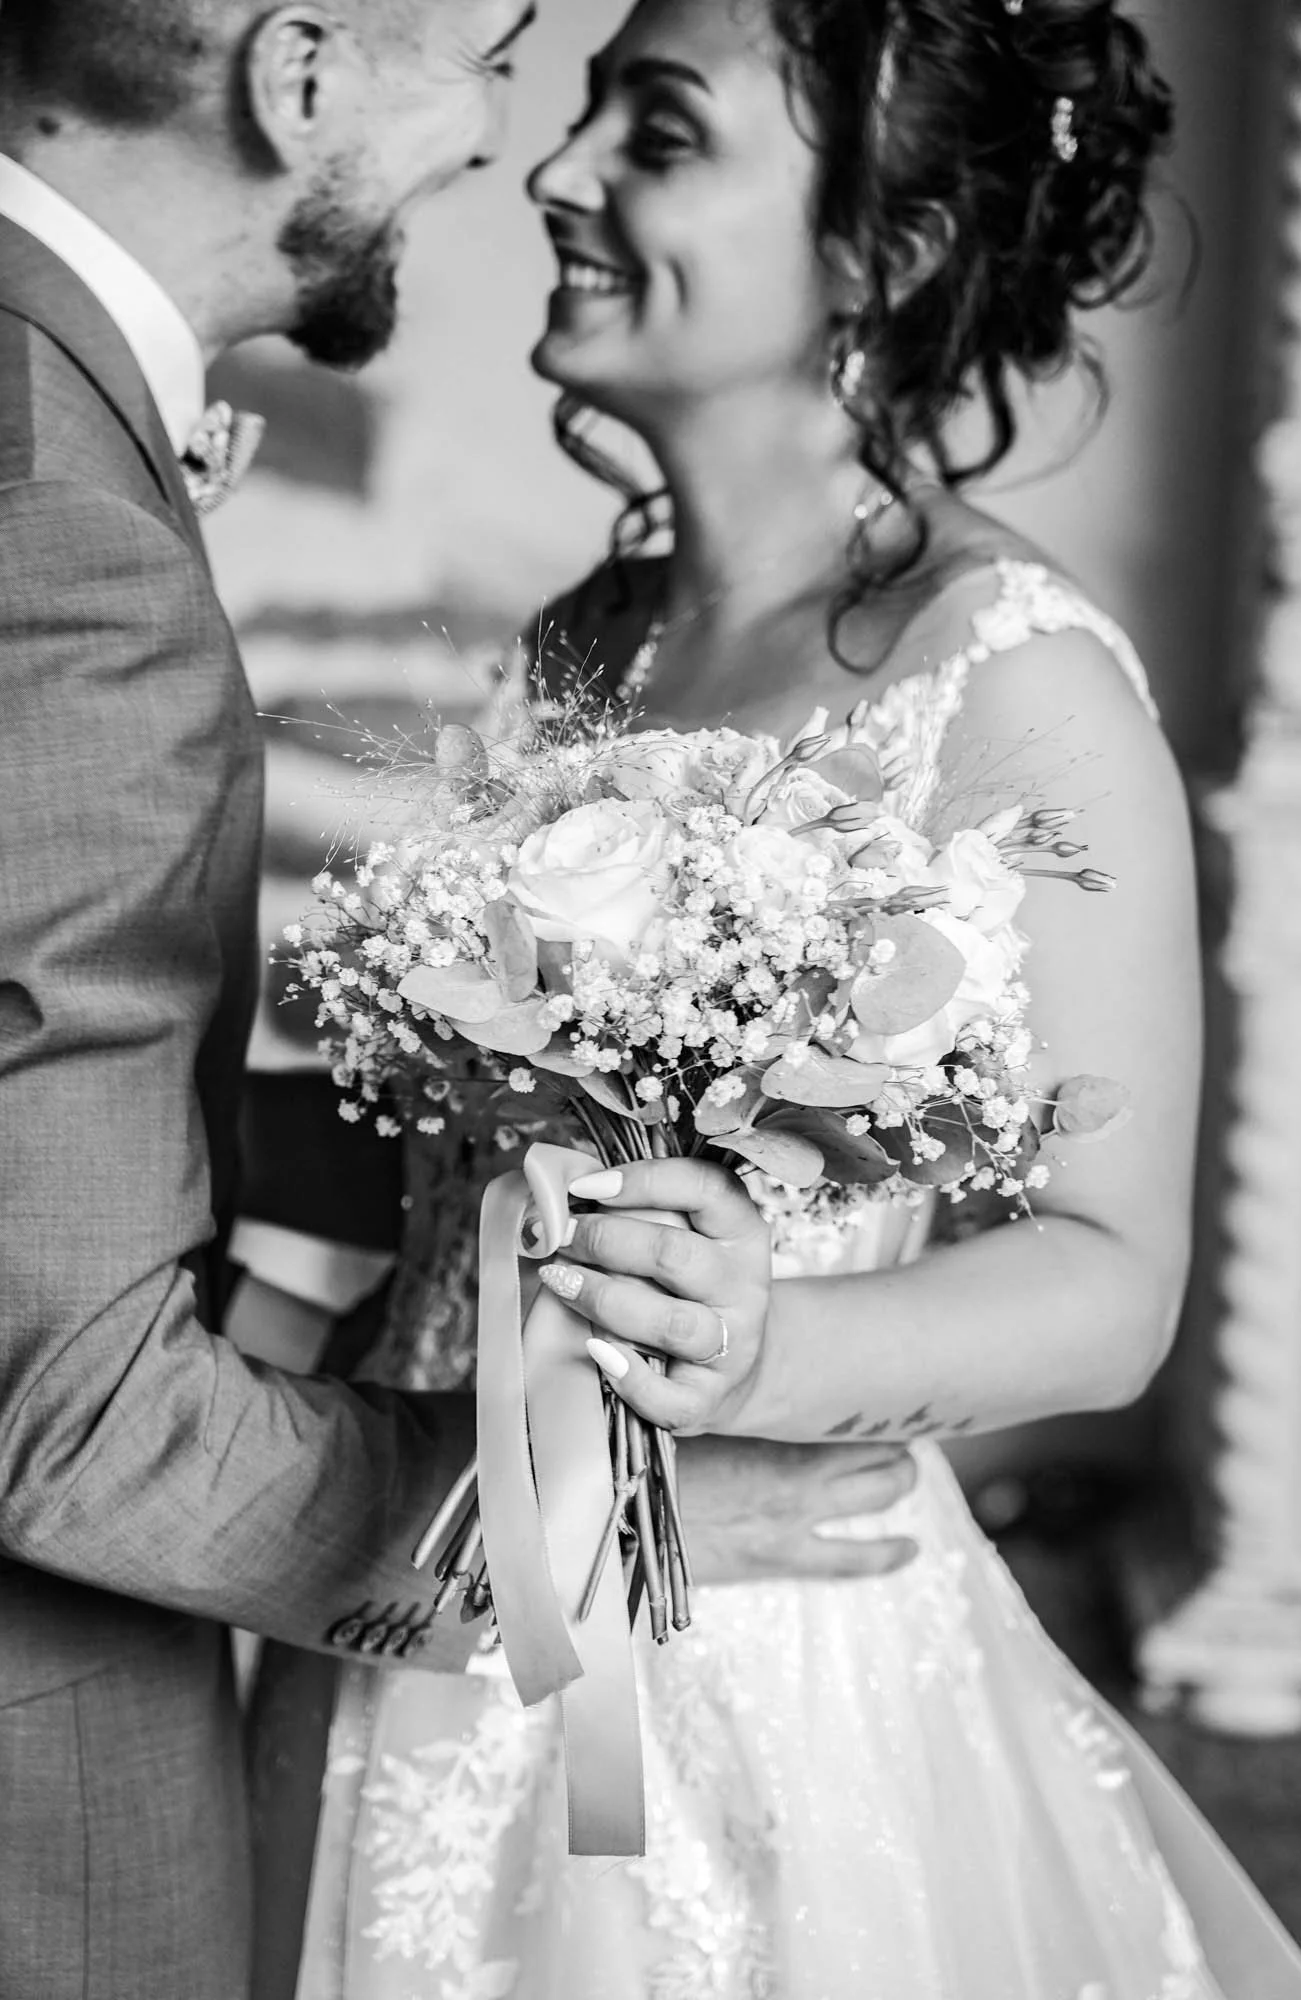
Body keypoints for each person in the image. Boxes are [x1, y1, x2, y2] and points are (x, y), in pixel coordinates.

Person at [283, 0, 1301, 1995]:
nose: (561, 167)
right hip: (452, 1584)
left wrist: (757, 1346)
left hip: (759, 1631)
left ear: (886, 252)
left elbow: (1110, 1288)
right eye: (585, 104)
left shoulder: (1015, 679)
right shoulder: (584, 639)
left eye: (657, 128)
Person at [0, 7, 920, 1993]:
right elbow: (61, 1418)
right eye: (506, 57)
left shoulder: (70, 457)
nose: (523, 148)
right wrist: (578, 1524)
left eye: (638, 116)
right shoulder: (65, 536)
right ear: (299, 76)